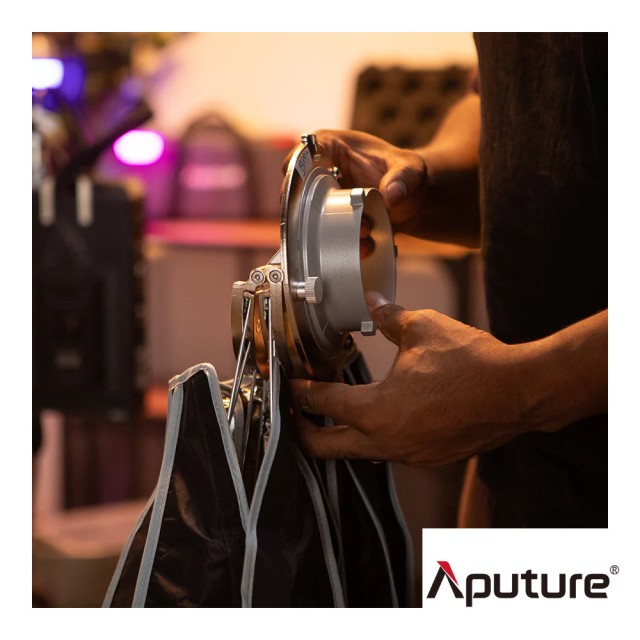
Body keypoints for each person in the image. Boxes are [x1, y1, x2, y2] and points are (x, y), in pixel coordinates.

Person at [289, 33, 608, 528]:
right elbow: (504, 103)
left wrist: (518, 391)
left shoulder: (512, 403)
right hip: (523, 474)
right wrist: (424, 179)